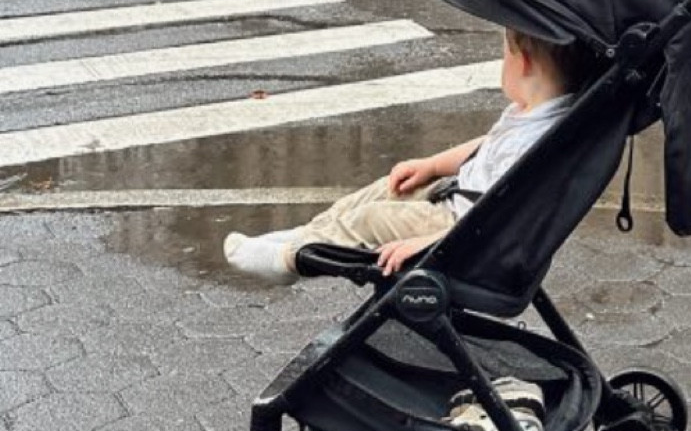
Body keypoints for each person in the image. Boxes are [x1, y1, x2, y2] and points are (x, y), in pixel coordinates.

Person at [223, 27, 595, 283]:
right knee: (384, 190)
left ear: (524, 62)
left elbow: (509, 216)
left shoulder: (535, 140)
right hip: (458, 205)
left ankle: (290, 260)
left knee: (369, 219)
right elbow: (483, 148)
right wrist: (431, 166)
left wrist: (434, 245)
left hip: (461, 232)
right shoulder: (538, 114)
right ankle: (306, 236)